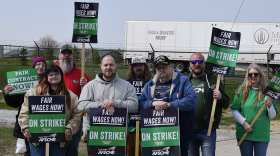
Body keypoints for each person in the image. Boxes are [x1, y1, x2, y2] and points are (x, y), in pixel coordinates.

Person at [78, 54, 138, 155]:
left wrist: (115, 103)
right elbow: (81, 106)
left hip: (118, 133)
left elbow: (135, 106)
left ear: (116, 66)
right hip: (95, 133)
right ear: (101, 66)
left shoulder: (127, 86)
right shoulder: (90, 86)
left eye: (111, 65)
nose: (108, 67)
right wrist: (101, 104)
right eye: (105, 65)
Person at [139, 55, 197, 156]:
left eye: (164, 67)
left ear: (170, 66)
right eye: (158, 68)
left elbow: (191, 101)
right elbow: (141, 103)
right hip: (156, 134)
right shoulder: (150, 85)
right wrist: (152, 103)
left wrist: (169, 105)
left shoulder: (183, 81)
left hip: (180, 134)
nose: (161, 70)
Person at [18, 65, 82, 156]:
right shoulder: (33, 93)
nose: (53, 76)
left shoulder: (71, 96)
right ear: (46, 77)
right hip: (37, 139)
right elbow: (24, 112)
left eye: (56, 73)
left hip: (59, 140)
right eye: (50, 74)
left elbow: (76, 115)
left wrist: (69, 128)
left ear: (61, 76)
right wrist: (25, 127)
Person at [3, 57, 47, 156]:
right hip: (29, 120)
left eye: (43, 64)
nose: (40, 66)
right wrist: (7, 94)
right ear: (33, 66)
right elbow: (14, 104)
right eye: (38, 64)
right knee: (29, 151)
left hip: (44, 120)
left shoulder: (49, 82)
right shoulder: (24, 82)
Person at [231, 63, 278, 156]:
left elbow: (272, 116)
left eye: (256, 74)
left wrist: (270, 106)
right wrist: (244, 123)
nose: (253, 76)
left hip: (261, 134)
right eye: (250, 74)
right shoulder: (241, 91)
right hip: (244, 133)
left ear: (260, 75)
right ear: (247, 76)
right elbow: (234, 110)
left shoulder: (268, 92)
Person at [187, 53, 230, 156]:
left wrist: (220, 97)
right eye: (194, 62)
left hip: (208, 130)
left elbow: (226, 104)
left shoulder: (214, 80)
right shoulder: (185, 82)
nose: (197, 64)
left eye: (200, 61)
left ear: (204, 63)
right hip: (189, 130)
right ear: (190, 64)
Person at [56, 44, 91, 156]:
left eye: (69, 53)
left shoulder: (81, 74)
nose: (66, 55)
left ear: (72, 56)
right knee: (55, 147)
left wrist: (86, 85)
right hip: (55, 116)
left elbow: (93, 90)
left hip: (76, 118)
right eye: (64, 53)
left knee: (72, 148)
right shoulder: (52, 72)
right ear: (59, 55)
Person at [126, 56, 152, 156]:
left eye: (141, 65)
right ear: (132, 68)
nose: (139, 67)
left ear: (145, 67)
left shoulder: (153, 83)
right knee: (131, 152)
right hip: (131, 126)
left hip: (148, 126)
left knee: (146, 152)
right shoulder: (126, 84)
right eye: (136, 65)